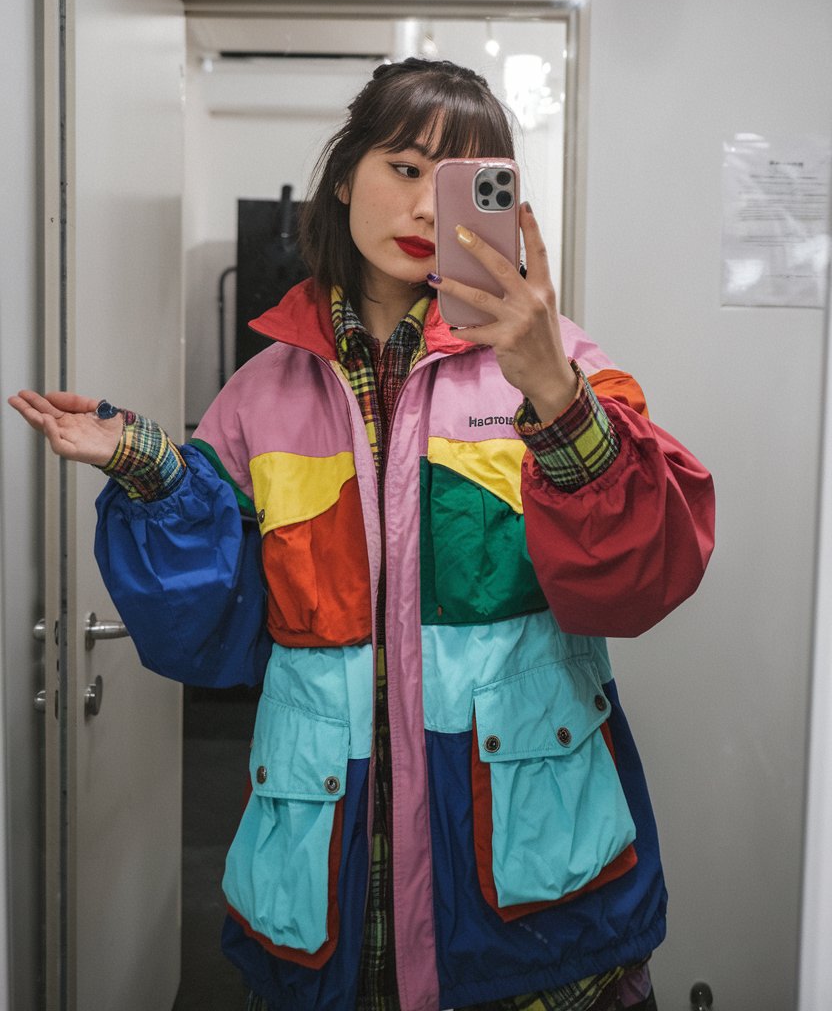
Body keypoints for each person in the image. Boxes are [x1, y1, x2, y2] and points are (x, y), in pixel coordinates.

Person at [9, 58, 715, 1011]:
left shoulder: (563, 365)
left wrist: (550, 383)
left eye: (467, 182)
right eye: (406, 166)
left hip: (534, 907)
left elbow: (642, 582)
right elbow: (209, 631)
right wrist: (150, 466)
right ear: (345, 177)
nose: (429, 207)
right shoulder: (260, 394)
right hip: (327, 897)